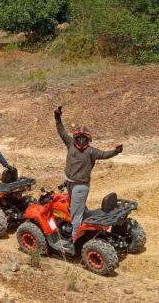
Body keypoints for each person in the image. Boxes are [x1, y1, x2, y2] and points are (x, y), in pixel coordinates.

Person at [54, 105, 123, 253]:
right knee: (75, 208)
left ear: (88, 139)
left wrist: (116, 151)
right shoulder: (70, 144)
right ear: (75, 138)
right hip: (70, 183)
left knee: (75, 214)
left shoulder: (91, 151)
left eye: (83, 138)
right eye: (79, 137)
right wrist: (57, 116)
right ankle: (77, 231)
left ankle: (73, 242)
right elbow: (61, 131)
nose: (81, 140)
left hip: (80, 186)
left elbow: (104, 154)